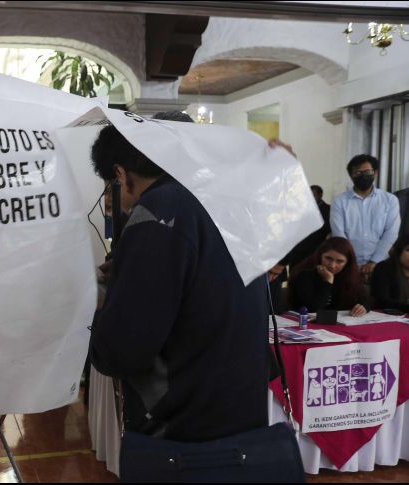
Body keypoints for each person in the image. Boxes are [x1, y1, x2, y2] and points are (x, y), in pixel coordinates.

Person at [89, 117, 271, 443]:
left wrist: (105, 301)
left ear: (120, 174)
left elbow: (124, 350)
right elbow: (206, 280)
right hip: (241, 410)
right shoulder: (223, 200)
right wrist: (133, 269)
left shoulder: (157, 210)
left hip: (185, 429)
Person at [331, 154, 399, 282]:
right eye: (358, 172)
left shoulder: (390, 200)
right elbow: (339, 234)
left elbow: (391, 233)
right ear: (351, 175)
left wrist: (373, 262)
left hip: (382, 264)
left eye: (367, 172)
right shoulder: (339, 201)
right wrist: (352, 262)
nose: (363, 176)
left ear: (375, 173)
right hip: (348, 264)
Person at [288, 237, 368, 316]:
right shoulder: (304, 273)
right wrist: (328, 281)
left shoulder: (350, 274)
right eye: (328, 258)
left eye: (340, 261)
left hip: (340, 320)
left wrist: (363, 307)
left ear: (347, 263)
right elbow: (313, 309)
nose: (332, 265)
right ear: (320, 256)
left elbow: (365, 300)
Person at [369, 234, 409, 313]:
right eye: (408, 250)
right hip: (385, 316)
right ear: (399, 250)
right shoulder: (383, 268)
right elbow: (382, 301)